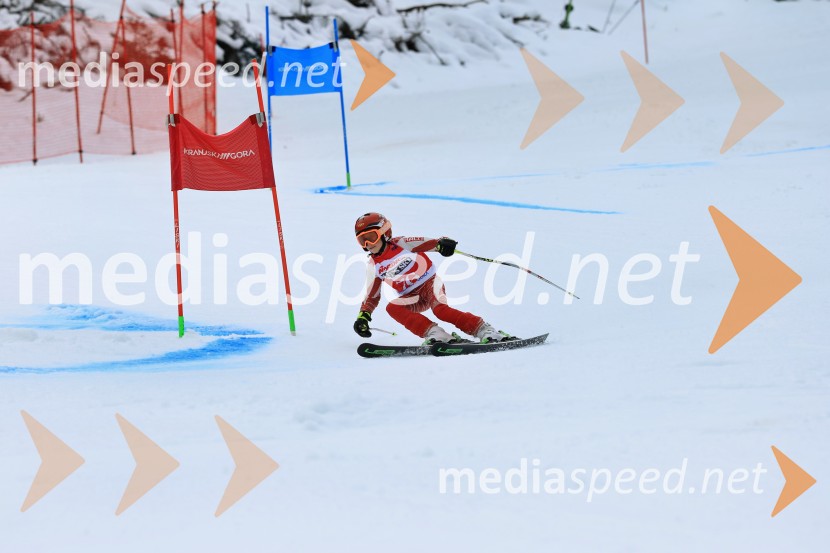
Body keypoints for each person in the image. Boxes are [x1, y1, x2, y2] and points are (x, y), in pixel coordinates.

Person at [352, 212, 514, 344]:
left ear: (384, 233)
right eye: (362, 241)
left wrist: (442, 244)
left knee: (441, 311)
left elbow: (428, 243)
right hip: (412, 297)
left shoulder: (401, 244)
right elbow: (372, 295)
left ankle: (484, 329)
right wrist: (363, 317)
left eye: (371, 237)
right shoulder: (373, 266)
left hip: (430, 283)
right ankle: (436, 334)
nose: (368, 244)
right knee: (393, 308)